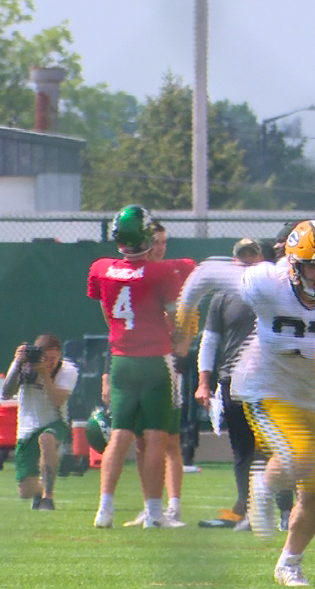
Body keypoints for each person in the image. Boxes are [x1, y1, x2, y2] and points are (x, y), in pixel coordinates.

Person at [176, 220, 315, 586]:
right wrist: (187, 316)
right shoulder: (266, 283)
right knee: (300, 457)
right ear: (293, 265)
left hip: (314, 396)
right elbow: (204, 275)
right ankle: (261, 488)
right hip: (266, 385)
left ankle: (289, 563)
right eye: (311, 265)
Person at [88, 206, 194, 529]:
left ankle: (104, 509)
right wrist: (179, 337)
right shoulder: (161, 273)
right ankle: (154, 513)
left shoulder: (101, 268)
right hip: (154, 361)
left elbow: (109, 318)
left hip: (121, 360)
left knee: (119, 434)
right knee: (156, 437)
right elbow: (179, 321)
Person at [193, 238, 293, 532]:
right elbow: (209, 340)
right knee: (243, 451)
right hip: (233, 380)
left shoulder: (278, 289)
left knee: (277, 447)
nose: (247, 260)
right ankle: (248, 509)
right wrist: (203, 382)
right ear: (234, 261)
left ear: (263, 258)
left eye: (253, 255)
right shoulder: (222, 296)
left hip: (272, 379)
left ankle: (285, 510)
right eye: (242, 256)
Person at [0, 334, 78, 510]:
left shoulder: (68, 370)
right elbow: (5, 393)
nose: (50, 362)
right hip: (27, 428)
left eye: (53, 358)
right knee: (24, 491)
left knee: (46, 438)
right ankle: (39, 490)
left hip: (55, 422)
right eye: (45, 358)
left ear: (59, 355)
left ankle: (48, 498)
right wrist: (18, 363)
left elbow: (58, 400)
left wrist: (45, 374)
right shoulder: (24, 365)